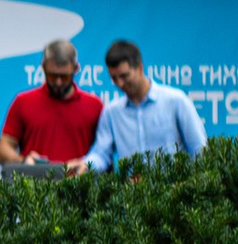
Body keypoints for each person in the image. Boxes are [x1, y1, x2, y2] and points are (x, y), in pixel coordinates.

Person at [85, 39, 207, 171]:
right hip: (132, 190)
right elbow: (101, 154)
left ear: (140, 68)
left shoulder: (176, 101)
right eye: (114, 78)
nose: (120, 84)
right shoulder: (111, 112)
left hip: (176, 189)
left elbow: (199, 149)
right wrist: (85, 165)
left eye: (124, 76)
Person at [0, 37, 103, 169]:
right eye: (52, 76)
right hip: (34, 185)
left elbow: (104, 154)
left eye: (64, 76)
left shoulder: (95, 106)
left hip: (79, 186)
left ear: (76, 69)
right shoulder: (23, 102)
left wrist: (86, 165)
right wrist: (24, 161)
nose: (58, 82)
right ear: (43, 67)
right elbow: (4, 148)